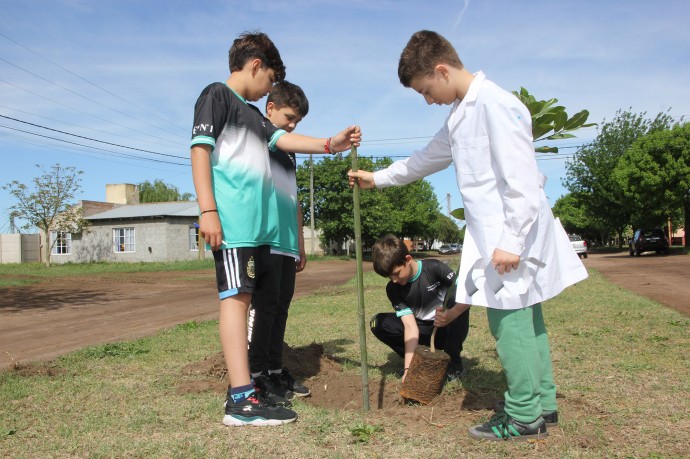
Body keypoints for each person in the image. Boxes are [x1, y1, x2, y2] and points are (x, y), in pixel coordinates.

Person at [348, 30, 587, 441]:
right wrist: (377, 179)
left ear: (441, 70)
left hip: (509, 239)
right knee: (526, 322)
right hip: (499, 237)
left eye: (426, 90)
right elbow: (426, 158)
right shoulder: (461, 114)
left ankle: (524, 415)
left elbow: (524, 180)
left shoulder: (496, 104)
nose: (427, 100)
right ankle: (543, 405)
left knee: (511, 326)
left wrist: (511, 240)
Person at [191, 31, 361, 427]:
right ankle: (240, 398)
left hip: (259, 232)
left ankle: (249, 388)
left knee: (248, 302)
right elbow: (200, 151)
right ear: (255, 66)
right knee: (235, 302)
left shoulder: (253, 117)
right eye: (270, 79)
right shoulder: (216, 96)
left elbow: (288, 140)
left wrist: (331, 143)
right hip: (233, 225)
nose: (270, 87)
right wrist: (207, 210)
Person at [247, 81, 312, 404]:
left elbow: (294, 198)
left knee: (281, 308)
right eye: (289, 117)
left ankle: (274, 370)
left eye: (298, 121)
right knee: (265, 308)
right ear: (270, 107)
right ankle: (256, 375)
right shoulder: (257, 137)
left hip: (287, 242)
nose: (293, 125)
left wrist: (300, 241)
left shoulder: (289, 151)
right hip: (265, 239)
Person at [369, 234, 470, 382]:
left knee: (457, 297)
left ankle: (454, 365)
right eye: (389, 277)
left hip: (449, 326)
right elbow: (410, 326)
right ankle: (420, 361)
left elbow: (467, 298)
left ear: (408, 260)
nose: (394, 280)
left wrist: (451, 314)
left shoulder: (434, 268)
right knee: (378, 322)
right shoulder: (393, 289)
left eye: (396, 273)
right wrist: (408, 369)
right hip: (423, 330)